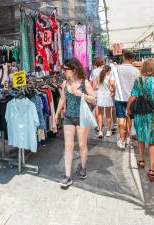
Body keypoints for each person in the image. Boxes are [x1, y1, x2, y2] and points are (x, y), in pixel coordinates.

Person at [55, 58, 96, 188]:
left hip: (82, 118)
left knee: (82, 145)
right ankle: (67, 176)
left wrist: (81, 95)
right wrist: (56, 114)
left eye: (66, 70)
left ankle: (83, 167)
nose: (64, 72)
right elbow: (62, 99)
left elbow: (94, 99)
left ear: (74, 70)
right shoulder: (64, 83)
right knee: (68, 146)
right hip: (68, 117)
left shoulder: (85, 83)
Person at [126, 59, 154, 182]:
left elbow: (133, 96)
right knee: (153, 141)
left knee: (141, 135)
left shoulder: (139, 80)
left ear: (143, 68)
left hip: (142, 111)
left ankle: (142, 159)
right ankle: (152, 169)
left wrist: (128, 108)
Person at [110, 51, 140, 150]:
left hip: (120, 97)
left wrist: (114, 91)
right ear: (132, 59)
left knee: (121, 118)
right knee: (129, 118)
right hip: (132, 98)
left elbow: (112, 84)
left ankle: (122, 140)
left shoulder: (115, 69)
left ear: (123, 57)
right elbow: (139, 86)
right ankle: (127, 138)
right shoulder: (136, 70)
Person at [92, 65, 114, 138]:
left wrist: (98, 88)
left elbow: (94, 87)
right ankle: (108, 131)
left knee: (100, 114)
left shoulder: (98, 77)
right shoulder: (109, 77)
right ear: (108, 71)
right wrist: (112, 90)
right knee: (108, 115)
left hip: (100, 96)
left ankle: (100, 131)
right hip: (107, 96)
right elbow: (111, 89)